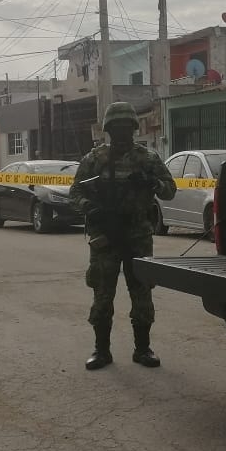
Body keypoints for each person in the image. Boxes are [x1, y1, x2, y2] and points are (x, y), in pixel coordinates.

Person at [69, 102, 177, 370]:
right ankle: (101, 350)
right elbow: (75, 193)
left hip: (137, 235)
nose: (121, 133)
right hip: (105, 234)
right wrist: (91, 209)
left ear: (133, 128)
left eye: (125, 127)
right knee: (102, 293)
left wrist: (152, 183)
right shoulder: (94, 159)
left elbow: (170, 190)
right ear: (107, 130)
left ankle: (142, 349)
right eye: (115, 128)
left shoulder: (147, 159)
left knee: (141, 293)